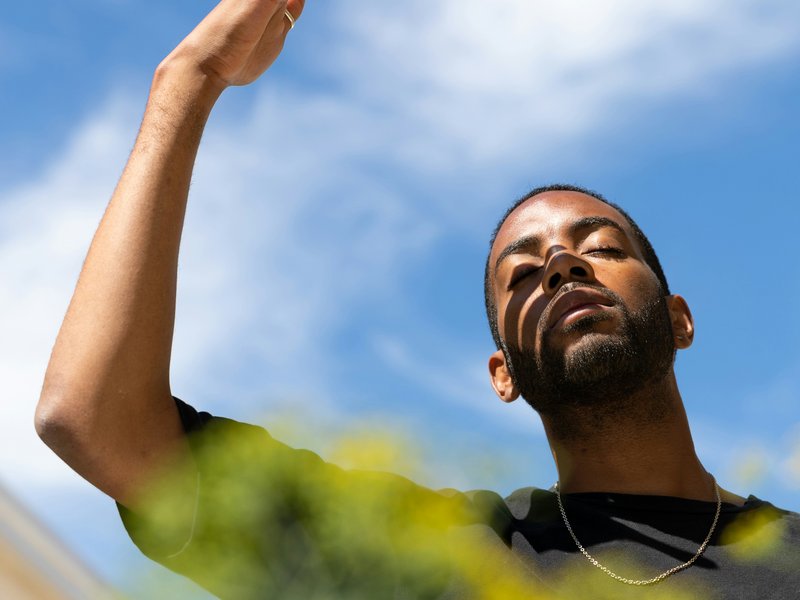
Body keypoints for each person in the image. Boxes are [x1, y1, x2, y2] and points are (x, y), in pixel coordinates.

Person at [35, 1, 800, 598]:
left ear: (678, 318)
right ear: (503, 374)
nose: (562, 264)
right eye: (523, 275)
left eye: (600, 246)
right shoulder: (445, 557)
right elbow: (95, 420)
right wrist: (187, 81)